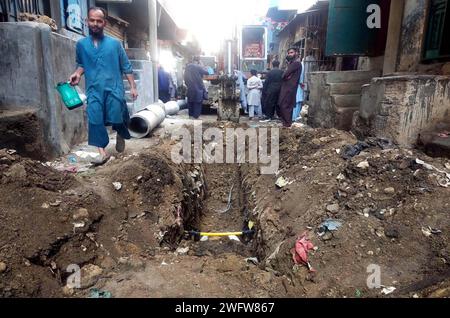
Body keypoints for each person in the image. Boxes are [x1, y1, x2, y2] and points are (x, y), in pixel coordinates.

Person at [70, 7, 138, 165]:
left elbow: (126, 66)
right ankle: (102, 153)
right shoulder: (81, 45)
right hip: (93, 89)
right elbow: (82, 64)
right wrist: (78, 74)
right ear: (87, 22)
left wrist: (133, 87)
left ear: (104, 23)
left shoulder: (115, 44)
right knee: (94, 119)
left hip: (113, 87)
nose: (95, 23)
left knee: (116, 115)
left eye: (99, 21)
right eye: (92, 20)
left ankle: (121, 132)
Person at [278, 48, 302, 127]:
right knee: (285, 105)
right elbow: (285, 75)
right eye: (288, 53)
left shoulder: (296, 64)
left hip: (289, 88)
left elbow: (284, 75)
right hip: (288, 87)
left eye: (291, 52)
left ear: (296, 53)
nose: (289, 54)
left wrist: (286, 76)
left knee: (285, 105)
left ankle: (287, 124)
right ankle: (286, 123)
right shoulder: (292, 63)